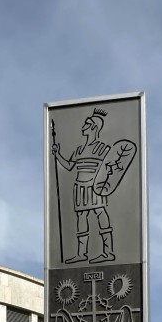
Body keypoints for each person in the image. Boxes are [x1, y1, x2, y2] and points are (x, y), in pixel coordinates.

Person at [52, 108, 115, 264]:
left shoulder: (103, 148)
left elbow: (110, 166)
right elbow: (69, 166)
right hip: (80, 187)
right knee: (81, 216)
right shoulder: (79, 150)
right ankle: (81, 254)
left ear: (94, 127)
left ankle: (108, 252)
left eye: (86, 124)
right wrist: (58, 154)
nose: (83, 127)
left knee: (100, 212)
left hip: (95, 186)